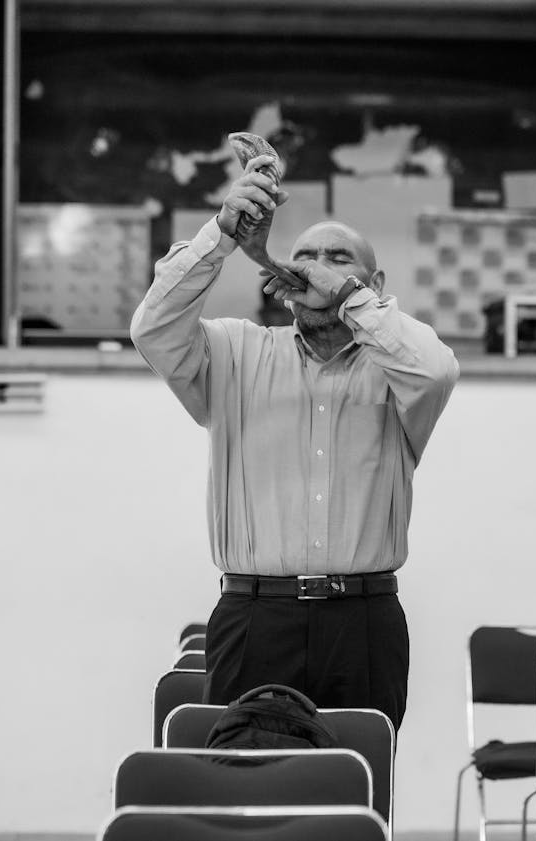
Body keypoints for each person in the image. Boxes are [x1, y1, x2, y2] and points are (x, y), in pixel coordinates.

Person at [130, 153, 459, 730]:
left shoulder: (398, 368)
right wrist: (225, 236)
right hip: (256, 614)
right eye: (303, 256)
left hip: (364, 619)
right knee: (249, 799)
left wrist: (349, 300)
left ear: (374, 284)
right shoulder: (235, 352)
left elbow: (436, 371)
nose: (316, 268)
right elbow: (152, 328)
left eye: (338, 259)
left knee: (360, 793)